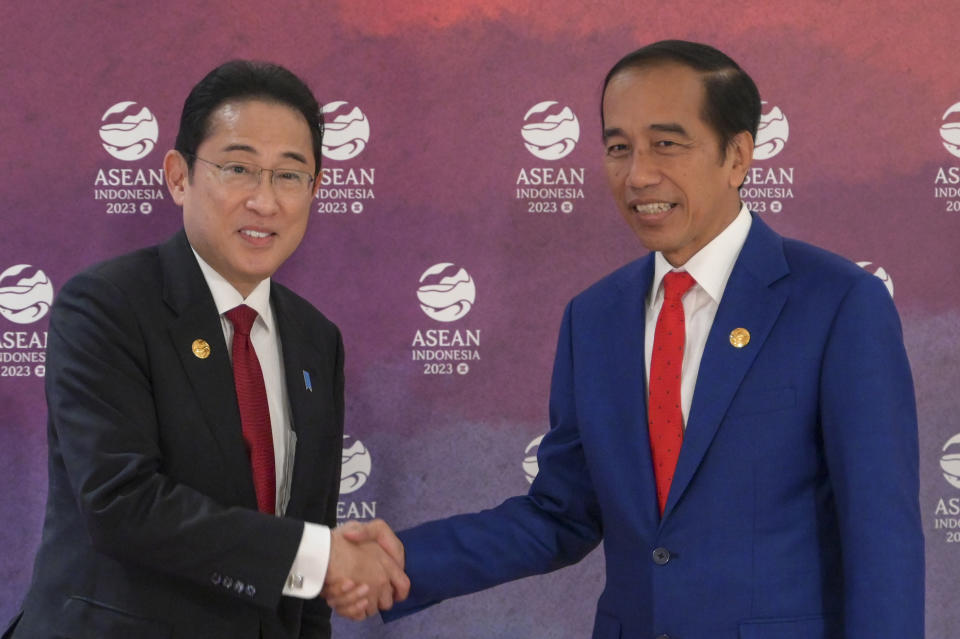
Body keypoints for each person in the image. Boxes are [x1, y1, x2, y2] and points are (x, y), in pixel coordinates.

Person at [334, 40, 924, 638]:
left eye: (667, 143)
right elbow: (560, 515)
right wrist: (407, 562)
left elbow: (882, 536)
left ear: (738, 155)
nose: (638, 174)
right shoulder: (593, 318)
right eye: (619, 148)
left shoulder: (838, 303)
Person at [3, 60, 407, 639]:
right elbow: (123, 506)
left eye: (290, 176)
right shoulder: (106, 306)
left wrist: (322, 562)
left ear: (316, 188)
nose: (265, 202)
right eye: (238, 168)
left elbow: (305, 581)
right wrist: (317, 555)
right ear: (178, 175)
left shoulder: (318, 341)